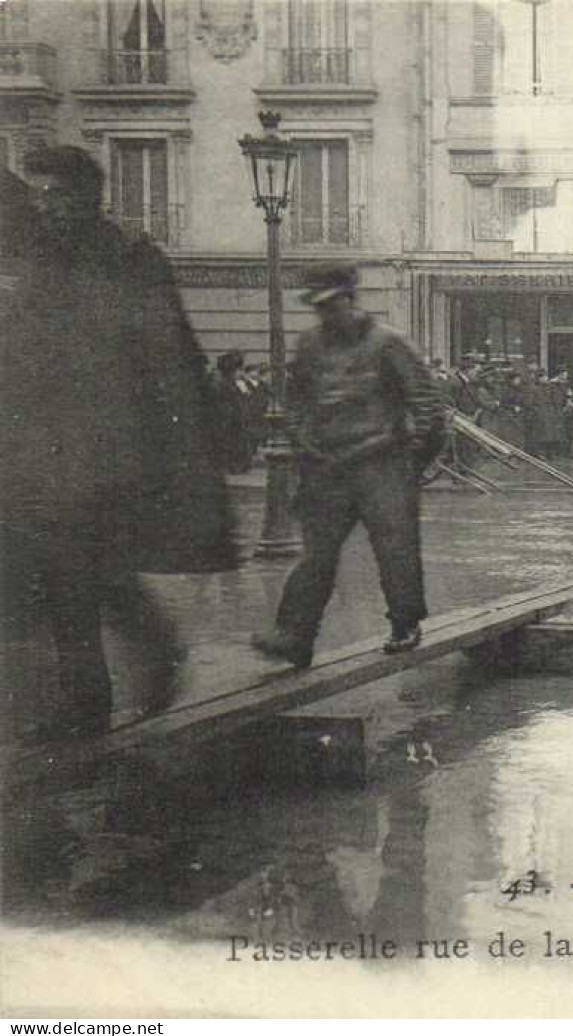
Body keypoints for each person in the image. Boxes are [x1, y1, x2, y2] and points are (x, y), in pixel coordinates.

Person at [2, 148, 235, 743]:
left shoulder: (129, 257)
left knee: (84, 571)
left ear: (89, 196)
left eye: (56, 194)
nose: (44, 206)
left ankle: (107, 689)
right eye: (38, 195)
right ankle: (111, 684)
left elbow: (169, 352)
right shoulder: (37, 259)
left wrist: (176, 441)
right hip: (46, 444)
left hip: (113, 445)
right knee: (74, 575)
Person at [251, 263, 444, 668]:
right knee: (315, 555)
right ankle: (294, 636)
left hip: (383, 463)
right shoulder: (309, 345)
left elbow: (427, 404)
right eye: (318, 307)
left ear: (349, 299)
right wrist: (303, 441)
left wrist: (413, 462)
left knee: (396, 550)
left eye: (331, 304)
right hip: (328, 467)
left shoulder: (388, 343)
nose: (325, 314)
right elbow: (296, 401)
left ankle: (404, 624)